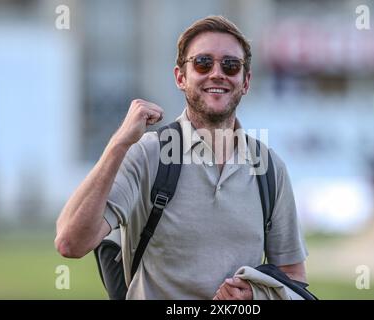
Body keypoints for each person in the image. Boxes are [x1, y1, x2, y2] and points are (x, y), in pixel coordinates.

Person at [55, 15, 308, 300]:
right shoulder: (146, 154)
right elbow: (70, 242)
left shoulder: (270, 169)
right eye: (202, 63)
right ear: (180, 77)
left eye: (230, 65)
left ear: (245, 81)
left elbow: (294, 279)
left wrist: (256, 296)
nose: (217, 73)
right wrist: (119, 143)